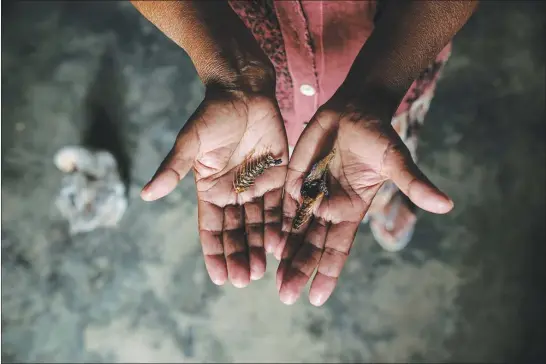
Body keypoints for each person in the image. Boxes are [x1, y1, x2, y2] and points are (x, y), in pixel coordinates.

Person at [131, 0, 478, 306]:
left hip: (394, 73)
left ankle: (383, 198)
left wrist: (378, 88)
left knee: (373, 158)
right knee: (338, 166)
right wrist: (232, 73)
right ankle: (380, 198)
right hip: (268, 101)